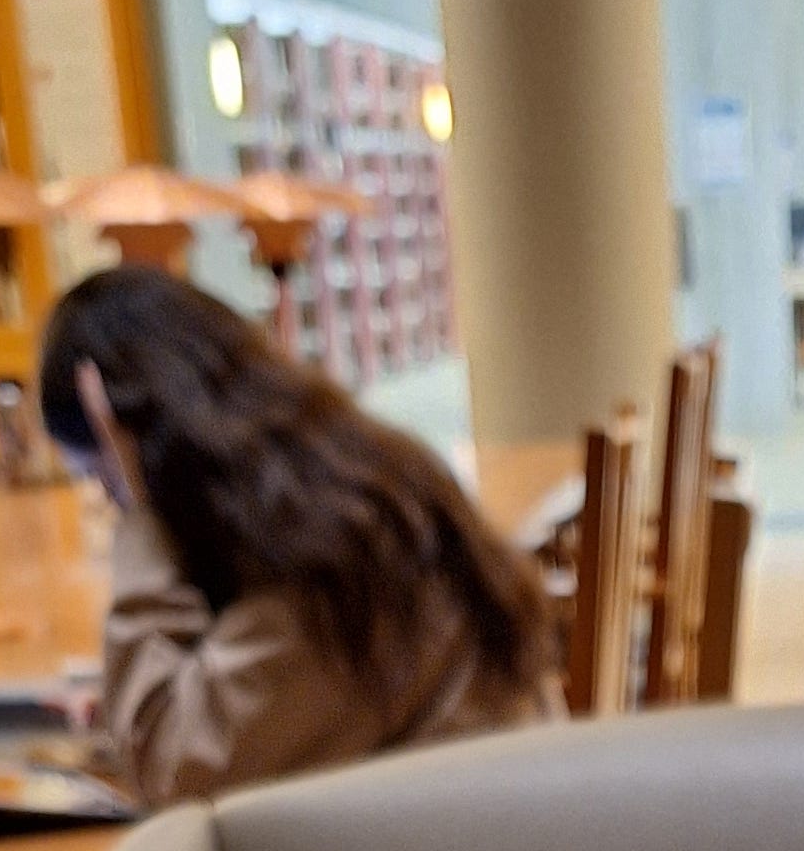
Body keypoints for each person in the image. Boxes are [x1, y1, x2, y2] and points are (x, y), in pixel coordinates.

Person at [36, 266, 558, 807]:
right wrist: (134, 694)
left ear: (142, 446)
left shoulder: (327, 554)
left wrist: (142, 509)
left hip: (448, 844)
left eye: (106, 479)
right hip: (476, 823)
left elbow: (174, 772)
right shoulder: (335, 486)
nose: (114, 503)